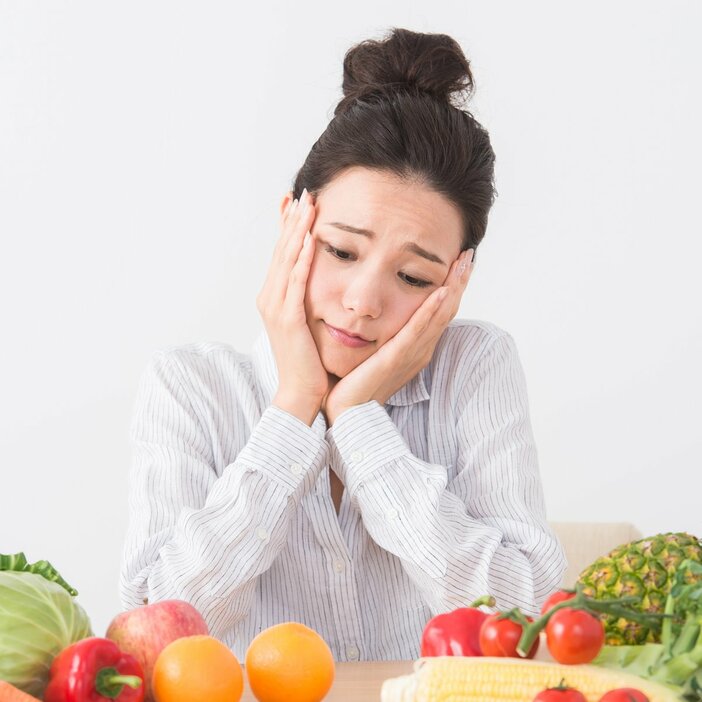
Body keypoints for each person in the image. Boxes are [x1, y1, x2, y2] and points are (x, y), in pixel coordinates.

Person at [119, 27, 567, 662]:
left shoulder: (474, 367)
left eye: (413, 277)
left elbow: (530, 616)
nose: (363, 301)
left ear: (455, 281)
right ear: (291, 227)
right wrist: (295, 407)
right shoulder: (190, 387)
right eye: (342, 250)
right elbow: (150, 625)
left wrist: (358, 422)